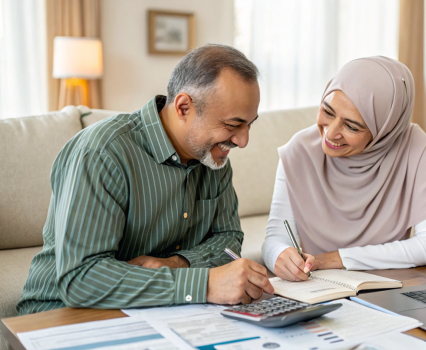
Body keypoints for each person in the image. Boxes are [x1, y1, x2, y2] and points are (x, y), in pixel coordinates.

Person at [17, 44, 274, 315]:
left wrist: (178, 264)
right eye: (233, 125)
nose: (243, 141)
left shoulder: (213, 157)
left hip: (157, 310)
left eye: (250, 124)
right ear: (184, 107)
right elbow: (81, 278)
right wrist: (204, 283)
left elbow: (228, 239)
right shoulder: (103, 152)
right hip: (63, 313)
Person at [262, 56, 426, 281]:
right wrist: (280, 255)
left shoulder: (412, 145)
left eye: (351, 126)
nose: (331, 133)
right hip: (317, 286)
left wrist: (335, 259)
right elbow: (275, 237)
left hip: (389, 286)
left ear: (384, 130)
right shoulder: (299, 151)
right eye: (328, 111)